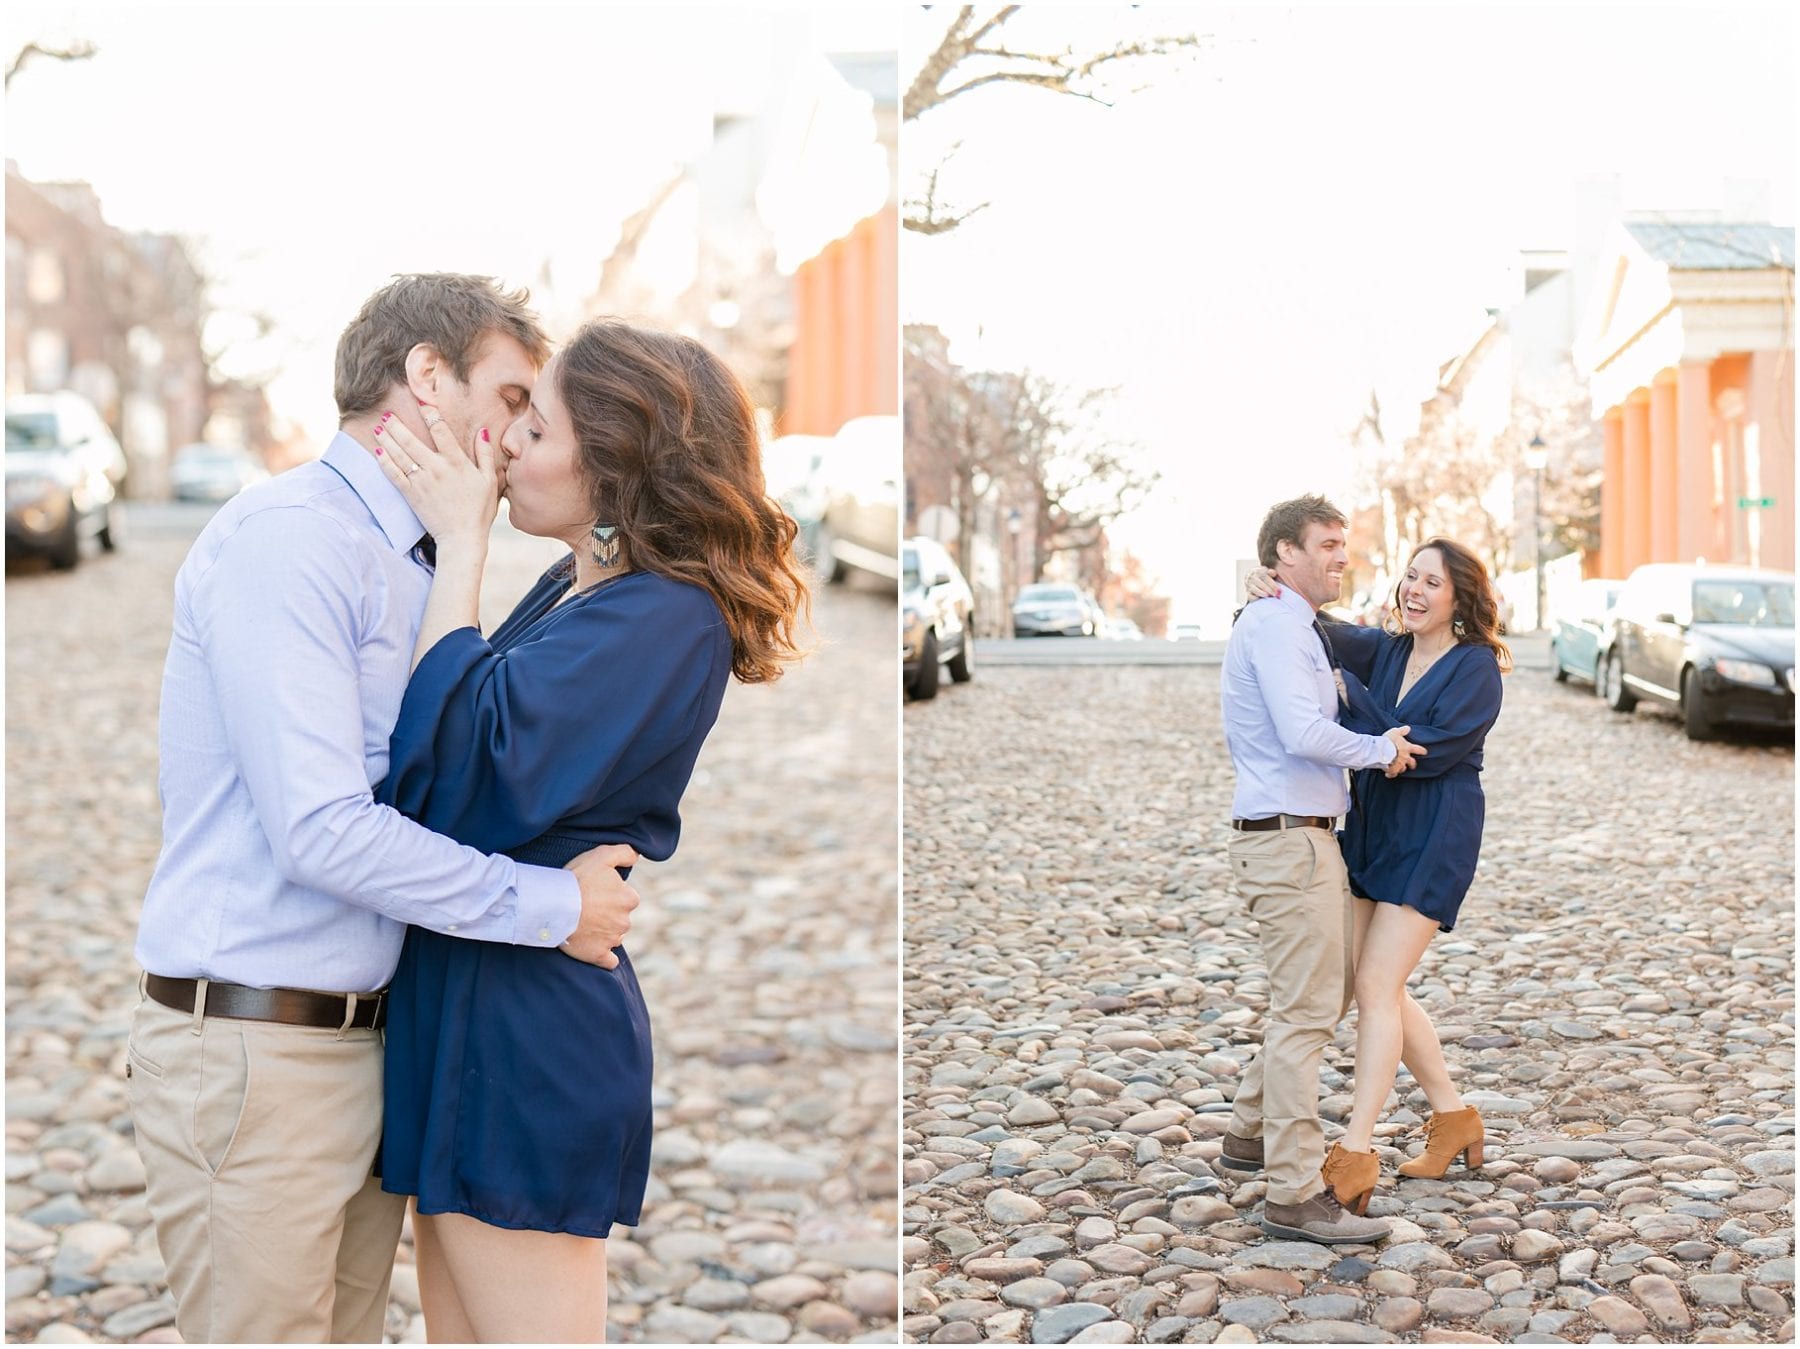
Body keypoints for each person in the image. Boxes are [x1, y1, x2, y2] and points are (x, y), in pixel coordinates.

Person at [128, 274, 646, 1344]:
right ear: (423, 376)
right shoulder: (292, 539)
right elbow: (322, 828)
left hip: (367, 1047)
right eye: (509, 398)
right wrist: (552, 905)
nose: (514, 438)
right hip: (252, 1045)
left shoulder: (420, 562)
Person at [366, 316, 808, 1343]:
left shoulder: (666, 613)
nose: (508, 443)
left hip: (530, 1029)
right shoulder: (577, 584)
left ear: (615, 463)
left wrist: (463, 541)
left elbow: (461, 776)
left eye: (538, 425)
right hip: (468, 988)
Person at [1244, 538, 1507, 1215]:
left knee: (1376, 982)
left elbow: (1424, 753)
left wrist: (1361, 716)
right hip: (1375, 828)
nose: (1413, 590)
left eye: (1432, 582)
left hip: (1436, 835)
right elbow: (1311, 622)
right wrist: (1268, 584)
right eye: (1409, 576)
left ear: (1460, 598)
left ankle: (1357, 1148)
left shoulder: (1478, 668)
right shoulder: (1384, 648)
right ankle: (1453, 1118)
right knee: (1372, 980)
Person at [1218, 495, 1424, 1244]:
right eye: (1327, 544)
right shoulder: (1274, 625)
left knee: (1324, 994)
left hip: (1307, 838)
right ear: (1284, 556)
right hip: (1286, 840)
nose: (1342, 555)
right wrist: (1381, 750)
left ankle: (1248, 1135)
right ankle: (1295, 1192)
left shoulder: (1293, 621)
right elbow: (1303, 731)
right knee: (1305, 1015)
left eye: (1344, 543)